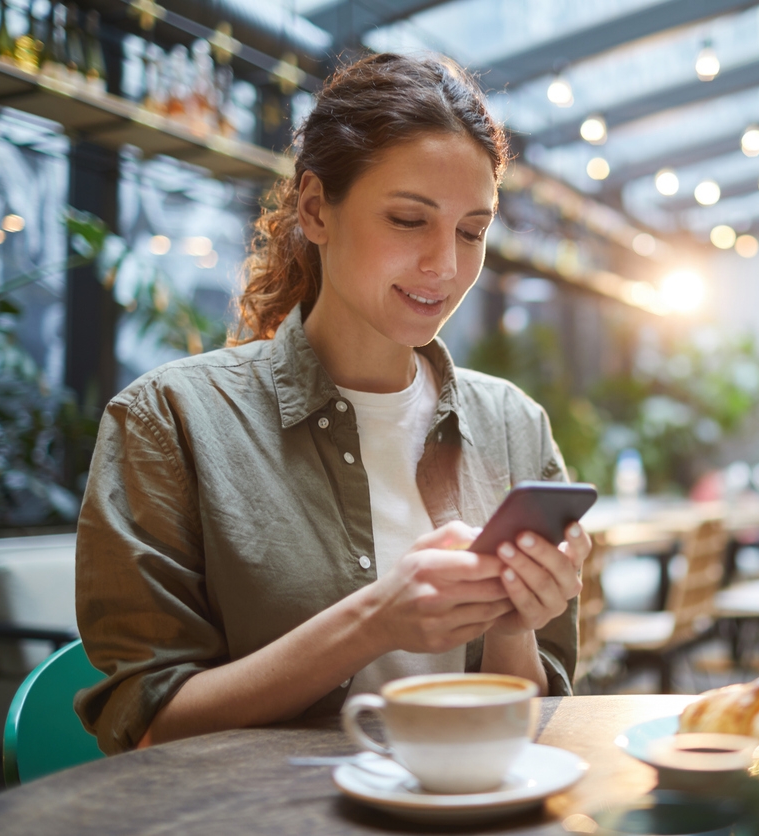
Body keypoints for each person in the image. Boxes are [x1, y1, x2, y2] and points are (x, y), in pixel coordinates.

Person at [73, 53, 590, 755]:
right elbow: (148, 728)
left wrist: (513, 620)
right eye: (410, 220)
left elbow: (532, 718)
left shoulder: (512, 425)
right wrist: (374, 620)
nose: (446, 265)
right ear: (316, 209)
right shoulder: (170, 421)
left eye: (472, 231)